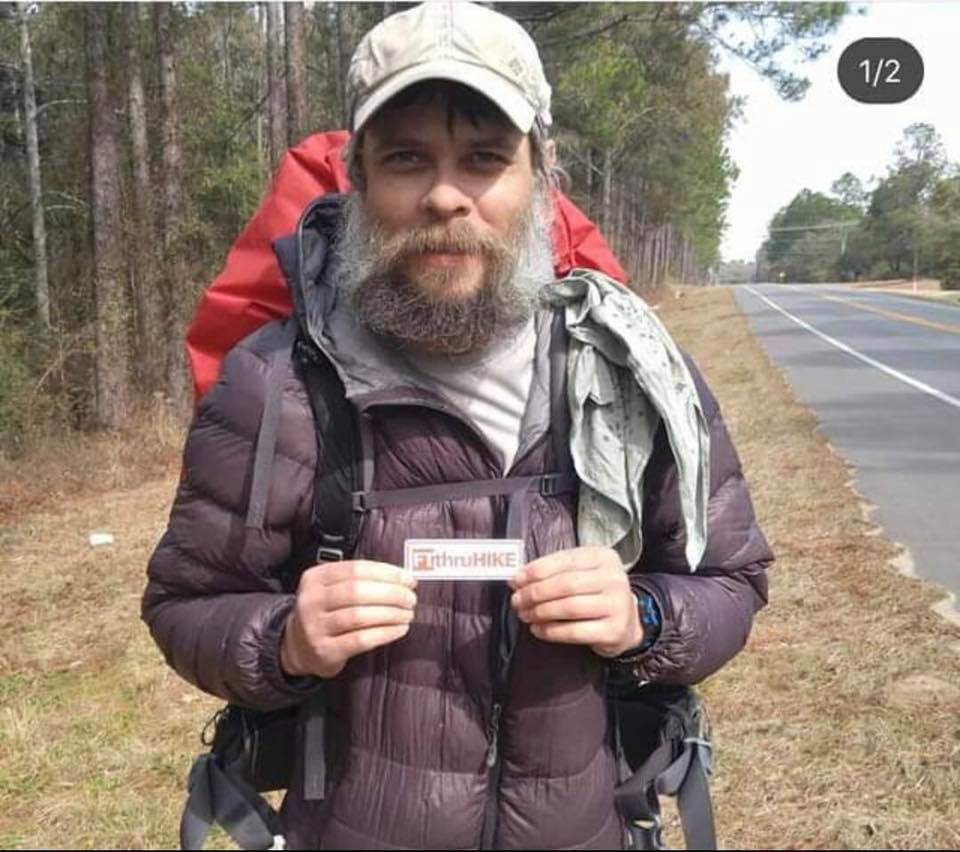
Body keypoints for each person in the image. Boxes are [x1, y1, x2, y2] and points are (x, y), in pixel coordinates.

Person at [142, 3, 773, 849]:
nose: (446, 195)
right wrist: (284, 640)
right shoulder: (275, 382)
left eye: (485, 159)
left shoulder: (624, 370)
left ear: (538, 180)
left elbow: (732, 579)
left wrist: (644, 621)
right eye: (407, 158)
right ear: (358, 179)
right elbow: (187, 604)